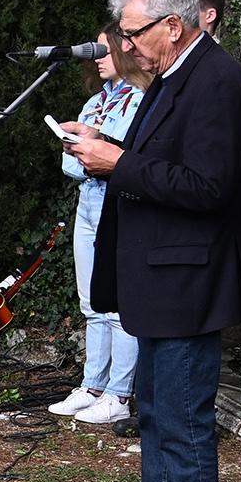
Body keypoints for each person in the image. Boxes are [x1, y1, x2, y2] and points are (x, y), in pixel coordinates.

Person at [65, 0, 241, 482]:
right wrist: (103, 146)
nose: (124, 46)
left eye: (133, 32)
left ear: (173, 26)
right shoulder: (170, 76)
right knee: (153, 409)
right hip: (158, 275)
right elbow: (162, 160)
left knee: (182, 416)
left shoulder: (218, 80)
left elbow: (209, 187)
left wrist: (118, 162)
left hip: (189, 280)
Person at [50, 29, 145, 427]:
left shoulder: (139, 100)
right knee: (92, 303)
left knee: (119, 304)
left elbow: (127, 159)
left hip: (117, 207)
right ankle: (92, 385)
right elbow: (72, 165)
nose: (97, 57)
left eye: (104, 49)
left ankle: (119, 394)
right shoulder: (96, 101)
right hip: (88, 206)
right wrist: (89, 155)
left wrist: (100, 155)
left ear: (126, 50)